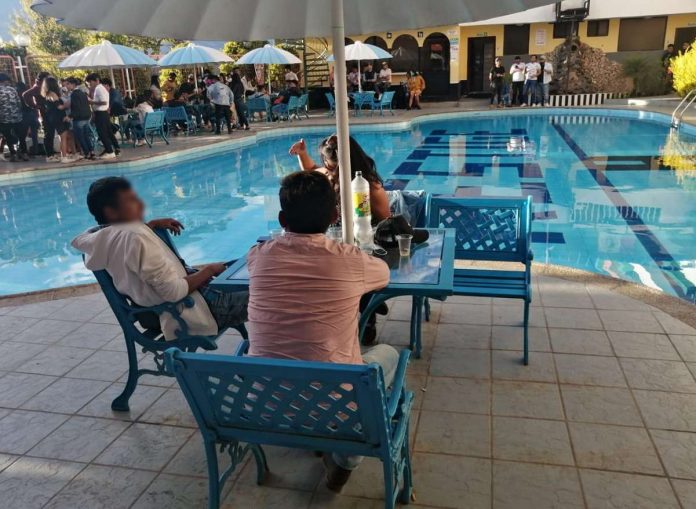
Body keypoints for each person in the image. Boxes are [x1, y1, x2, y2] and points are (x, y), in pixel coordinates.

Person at [245, 170, 398, 492]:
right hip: (334, 404)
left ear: (282, 219)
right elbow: (384, 274)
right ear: (334, 216)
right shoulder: (351, 260)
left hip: (266, 404)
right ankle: (346, 457)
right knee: (389, 355)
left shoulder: (258, 256)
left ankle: (324, 442)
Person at [72, 176, 248, 340]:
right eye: (131, 200)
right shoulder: (135, 237)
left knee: (255, 276)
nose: (140, 204)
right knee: (264, 294)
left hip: (180, 305)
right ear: (110, 212)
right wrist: (209, 270)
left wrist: (150, 226)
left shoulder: (104, 238)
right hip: (194, 310)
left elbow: (128, 243)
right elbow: (173, 292)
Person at [289, 134, 390, 224]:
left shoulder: (370, 189)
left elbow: (387, 224)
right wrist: (302, 154)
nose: (326, 170)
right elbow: (311, 169)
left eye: (329, 166)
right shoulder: (329, 175)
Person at [86, 73, 119, 159]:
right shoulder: (101, 88)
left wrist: (91, 102)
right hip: (103, 113)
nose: (90, 84)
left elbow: (104, 102)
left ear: (96, 80)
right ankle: (113, 149)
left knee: (102, 133)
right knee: (108, 132)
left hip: (101, 113)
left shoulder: (99, 88)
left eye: (91, 82)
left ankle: (110, 151)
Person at [41, 76, 73, 163]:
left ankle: (64, 155)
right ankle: (64, 157)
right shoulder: (53, 94)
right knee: (63, 137)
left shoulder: (47, 94)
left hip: (53, 117)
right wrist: (69, 103)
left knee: (62, 137)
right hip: (59, 117)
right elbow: (59, 107)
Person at [65, 77, 95, 160]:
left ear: (73, 84)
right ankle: (92, 152)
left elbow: (76, 107)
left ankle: (87, 153)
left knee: (80, 137)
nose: (66, 86)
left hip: (78, 118)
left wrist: (70, 116)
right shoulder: (82, 93)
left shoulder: (74, 94)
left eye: (68, 84)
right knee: (86, 136)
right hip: (86, 117)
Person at [0, 73, 27, 162]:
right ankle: (24, 153)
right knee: (21, 136)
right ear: (5, 80)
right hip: (17, 117)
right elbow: (19, 103)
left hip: (4, 119)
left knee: (8, 137)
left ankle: (13, 154)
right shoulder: (13, 89)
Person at [22, 71, 49, 155]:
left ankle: (40, 150)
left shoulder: (39, 85)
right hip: (43, 113)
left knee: (42, 132)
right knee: (46, 132)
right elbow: (25, 94)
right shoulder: (38, 86)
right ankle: (48, 152)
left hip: (41, 112)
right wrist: (35, 106)